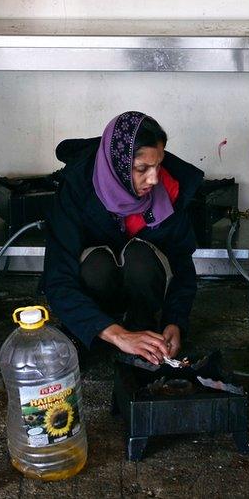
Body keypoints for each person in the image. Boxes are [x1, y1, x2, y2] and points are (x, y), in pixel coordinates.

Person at [43, 111, 204, 365]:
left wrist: (176, 321)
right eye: (142, 168)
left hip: (147, 298)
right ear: (117, 163)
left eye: (158, 165)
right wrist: (117, 334)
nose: (153, 179)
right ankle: (100, 334)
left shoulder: (169, 190)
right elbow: (57, 280)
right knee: (96, 263)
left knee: (139, 256)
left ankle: (145, 331)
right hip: (96, 306)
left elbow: (182, 265)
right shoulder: (76, 189)